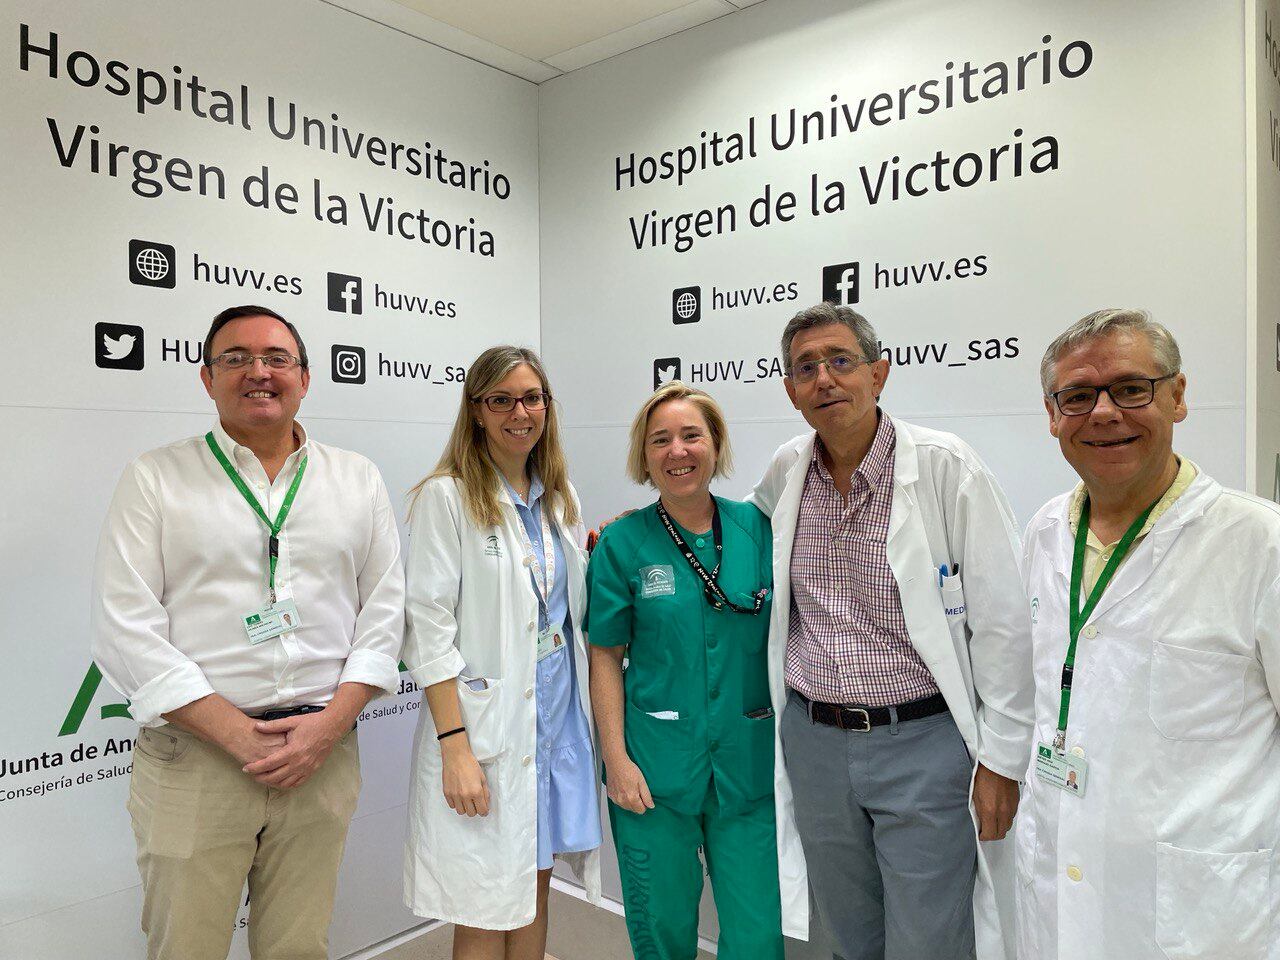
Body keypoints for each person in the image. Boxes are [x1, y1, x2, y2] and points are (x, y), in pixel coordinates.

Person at [91, 305, 405, 960]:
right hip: (197, 758)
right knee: (187, 947)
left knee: (298, 946)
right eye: (236, 359)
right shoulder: (155, 477)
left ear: (305, 377)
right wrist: (238, 735)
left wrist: (326, 727)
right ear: (207, 378)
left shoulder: (357, 478)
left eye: (276, 358)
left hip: (322, 753)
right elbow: (125, 625)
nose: (258, 372)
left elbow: (384, 612)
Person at [747, 302, 1035, 960]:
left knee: (929, 938)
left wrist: (1002, 761)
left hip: (925, 746)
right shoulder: (787, 470)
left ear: (880, 373)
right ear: (790, 391)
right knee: (843, 933)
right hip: (814, 742)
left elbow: (1003, 624)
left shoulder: (945, 468)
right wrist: (646, 538)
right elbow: (734, 540)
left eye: (841, 361)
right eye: (806, 368)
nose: (824, 379)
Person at [1017, 309, 1280, 959]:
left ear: (1178, 397)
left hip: (1199, 914)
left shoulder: (1260, 543)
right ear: (1052, 416)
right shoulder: (1045, 531)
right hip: (1056, 879)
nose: (1104, 413)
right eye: (1077, 397)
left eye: (1132, 389)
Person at [402, 346, 602, 959]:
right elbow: (426, 628)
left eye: (532, 398)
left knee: (534, 886)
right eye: (502, 400)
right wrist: (455, 748)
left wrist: (600, 555)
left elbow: (561, 610)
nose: (521, 412)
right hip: (485, 733)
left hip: (553, 723)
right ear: (477, 410)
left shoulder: (558, 498)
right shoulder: (448, 497)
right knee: (484, 905)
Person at [586, 381, 787, 960]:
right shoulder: (623, 542)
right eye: (660, 440)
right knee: (662, 931)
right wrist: (618, 761)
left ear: (716, 445)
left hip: (748, 770)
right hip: (652, 771)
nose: (678, 451)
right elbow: (605, 656)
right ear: (644, 458)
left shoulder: (760, 530)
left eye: (691, 435)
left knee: (756, 937)